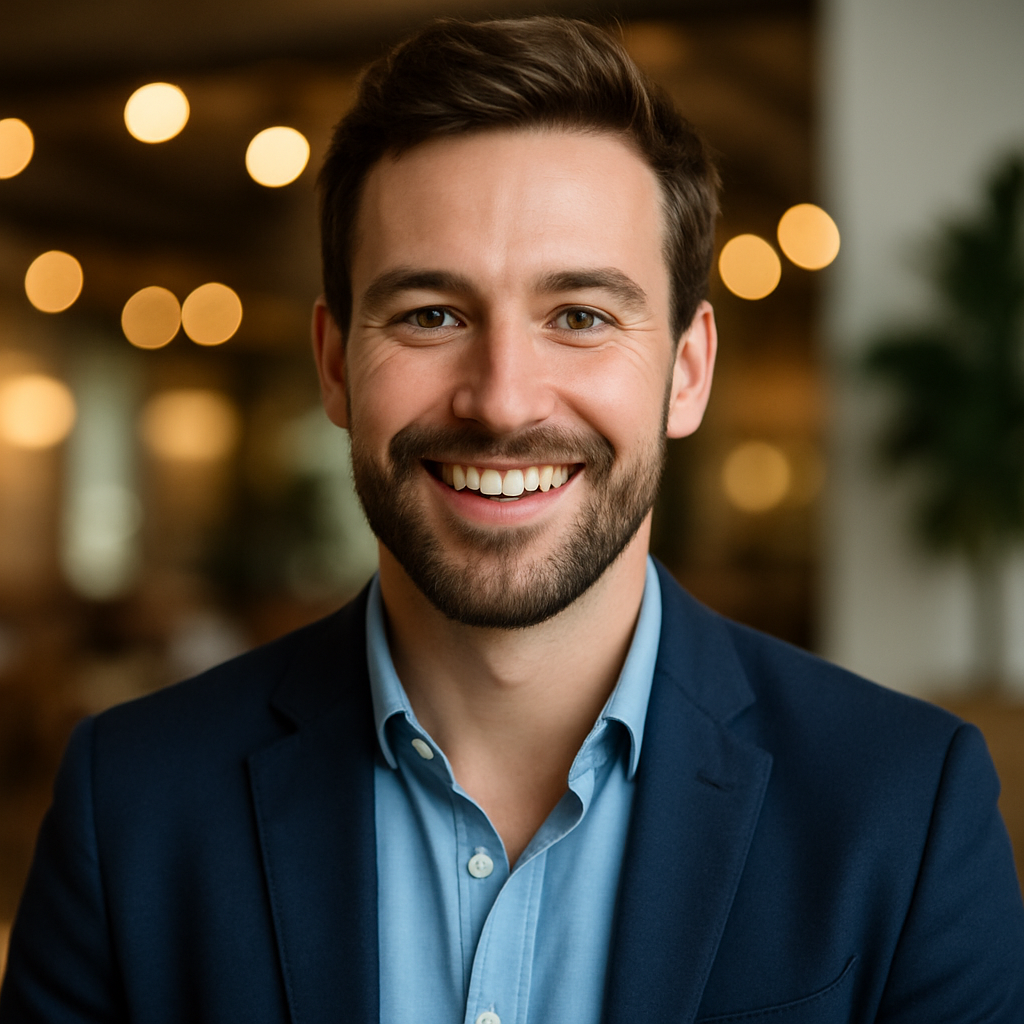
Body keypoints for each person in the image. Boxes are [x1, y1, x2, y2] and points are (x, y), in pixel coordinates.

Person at [2, 15, 1022, 1024]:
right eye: (429, 314)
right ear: (332, 363)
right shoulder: (129, 805)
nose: (501, 399)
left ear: (689, 369)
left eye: (579, 315)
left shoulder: (904, 807)